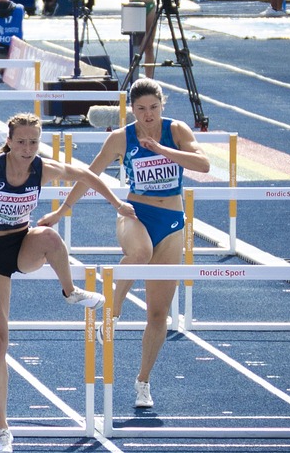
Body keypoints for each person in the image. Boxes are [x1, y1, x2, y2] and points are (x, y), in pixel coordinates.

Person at [0, 112, 135, 453]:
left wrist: (117, 204)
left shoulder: (42, 167)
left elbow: (85, 174)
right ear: (8, 140)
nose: (27, 148)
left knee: (49, 236)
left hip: (23, 245)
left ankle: (70, 293)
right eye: (20, 141)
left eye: (33, 142)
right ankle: (3, 429)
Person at [55, 78, 210, 411]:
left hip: (170, 223)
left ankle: (143, 381)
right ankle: (112, 312)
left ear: (162, 105)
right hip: (135, 215)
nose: (148, 115)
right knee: (140, 253)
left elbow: (204, 165)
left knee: (158, 314)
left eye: (153, 108)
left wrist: (164, 150)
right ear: (131, 110)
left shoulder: (177, 130)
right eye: (140, 109)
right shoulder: (120, 138)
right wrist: (62, 211)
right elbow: (89, 175)